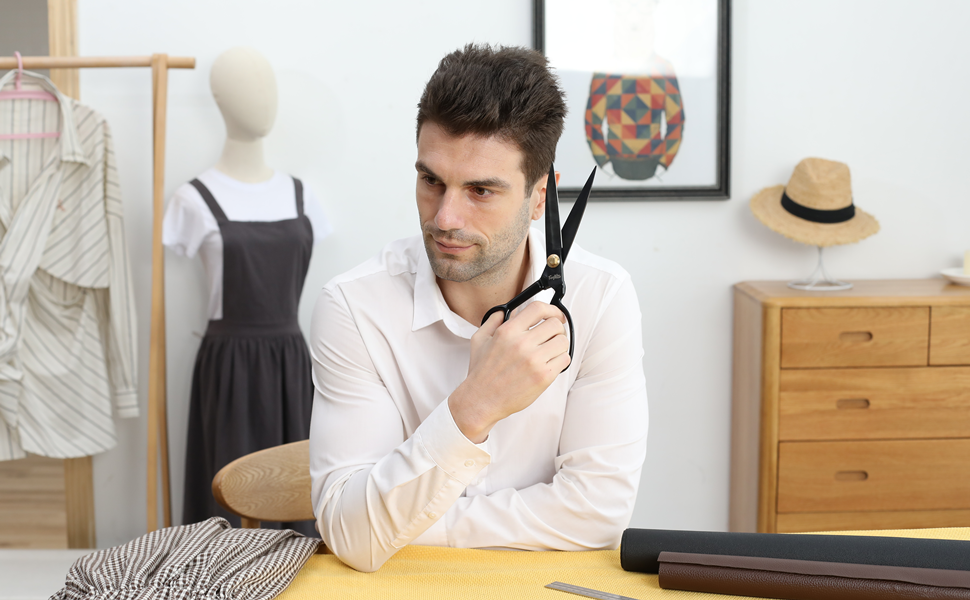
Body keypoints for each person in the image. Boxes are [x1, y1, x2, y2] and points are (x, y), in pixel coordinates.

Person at [308, 44, 648, 573]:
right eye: (431, 181)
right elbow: (350, 533)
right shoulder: (354, 307)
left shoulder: (601, 297)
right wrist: (473, 408)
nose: (445, 218)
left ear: (541, 197)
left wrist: (407, 523)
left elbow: (599, 515)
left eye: (481, 191)